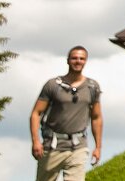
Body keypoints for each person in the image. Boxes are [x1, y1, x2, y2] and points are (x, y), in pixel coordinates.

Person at [30, 46, 103, 180]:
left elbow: (96, 118)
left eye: (81, 58)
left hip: (78, 147)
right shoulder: (53, 85)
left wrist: (98, 147)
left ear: (85, 61)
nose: (78, 61)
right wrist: (36, 141)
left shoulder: (92, 87)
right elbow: (36, 113)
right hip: (52, 146)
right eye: (74, 58)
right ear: (68, 60)